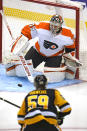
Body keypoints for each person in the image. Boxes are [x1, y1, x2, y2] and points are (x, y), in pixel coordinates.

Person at [6, 14, 82, 83]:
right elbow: (27, 29)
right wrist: (21, 40)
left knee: (52, 78)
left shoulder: (68, 35)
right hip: (37, 52)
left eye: (56, 26)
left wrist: (69, 58)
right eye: (52, 25)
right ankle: (13, 65)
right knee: (22, 71)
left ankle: (63, 67)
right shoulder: (42, 27)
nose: (53, 27)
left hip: (55, 56)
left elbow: (70, 49)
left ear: (60, 25)